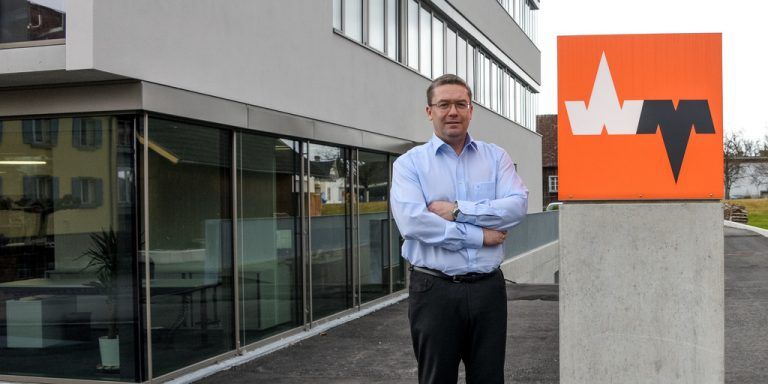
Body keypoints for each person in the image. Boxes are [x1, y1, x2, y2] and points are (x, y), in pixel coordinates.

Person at [390, 74, 528, 384]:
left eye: (460, 104)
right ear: (430, 111)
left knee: (490, 379)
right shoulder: (409, 165)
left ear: (471, 109)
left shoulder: (496, 158)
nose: (452, 111)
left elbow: (517, 206)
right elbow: (414, 223)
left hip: (488, 289)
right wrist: (480, 235)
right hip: (434, 290)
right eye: (444, 104)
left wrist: (457, 210)